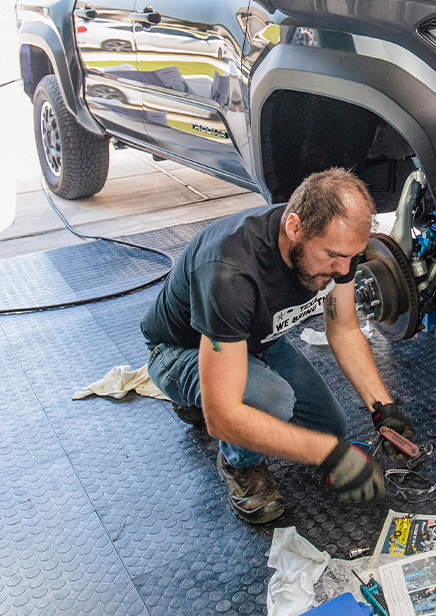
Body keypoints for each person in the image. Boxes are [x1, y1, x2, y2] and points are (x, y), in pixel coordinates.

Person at [141, 167, 417, 523]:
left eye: (352, 256)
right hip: (181, 350)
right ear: (294, 228)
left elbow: (345, 329)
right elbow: (223, 418)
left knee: (329, 428)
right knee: (270, 400)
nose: (344, 269)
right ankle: (240, 465)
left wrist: (383, 408)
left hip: (256, 340)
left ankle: (213, 393)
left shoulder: (338, 249)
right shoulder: (231, 272)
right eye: (334, 256)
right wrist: (329, 454)